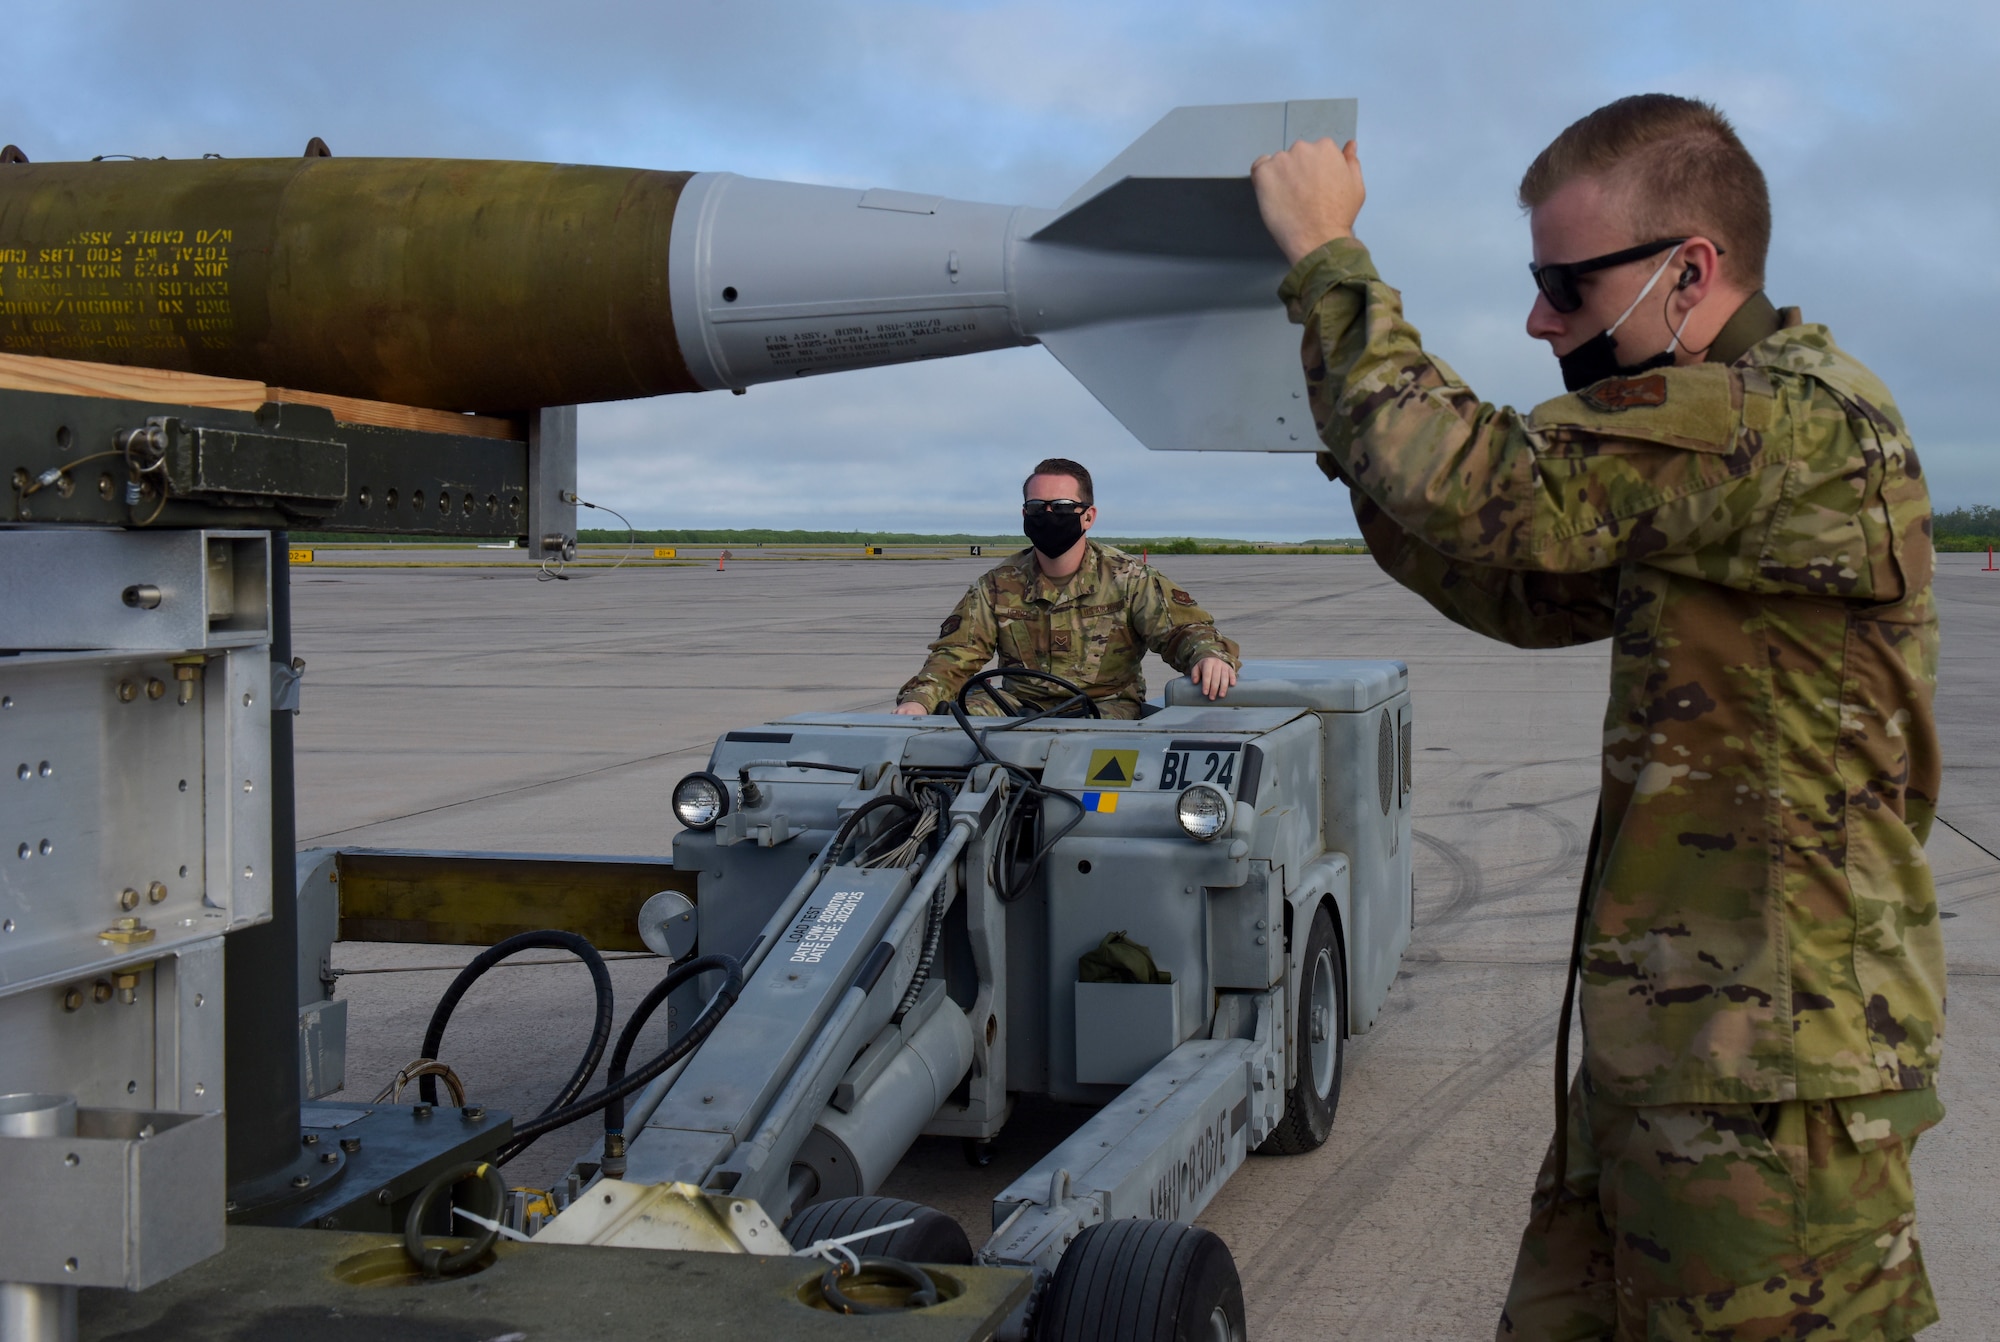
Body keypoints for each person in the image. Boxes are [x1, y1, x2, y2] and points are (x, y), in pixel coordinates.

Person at [1252, 96, 1942, 1339]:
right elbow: (1513, 581)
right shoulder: (1703, 472)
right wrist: (1354, 437)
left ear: (1689, 271)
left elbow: (1486, 488)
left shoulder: (1784, 421)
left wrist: (1326, 261)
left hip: (1770, 1082)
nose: (1536, 319)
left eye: (1563, 286)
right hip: (1684, 1051)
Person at [893, 458, 1240, 718]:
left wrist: (1208, 656)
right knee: (951, 729)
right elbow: (953, 656)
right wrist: (918, 701)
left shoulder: (1129, 578)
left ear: (1088, 516)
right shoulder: (997, 585)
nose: (1047, 514)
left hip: (1105, 708)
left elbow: (1183, 630)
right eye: (1036, 507)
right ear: (1024, 514)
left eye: (1060, 507)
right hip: (1017, 708)